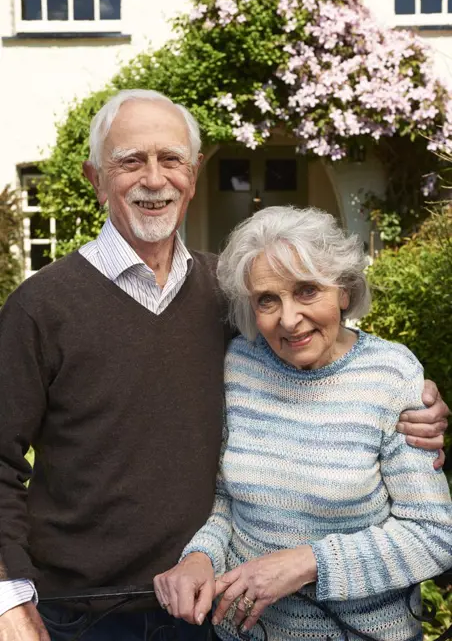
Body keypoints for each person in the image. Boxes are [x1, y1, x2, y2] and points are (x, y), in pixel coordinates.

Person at [0, 91, 448, 641]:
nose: (154, 179)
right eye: (130, 161)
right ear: (96, 178)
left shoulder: (228, 293)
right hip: (80, 613)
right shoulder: (40, 307)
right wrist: (8, 599)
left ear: (194, 173)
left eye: (171, 159)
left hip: (207, 613)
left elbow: (332, 360)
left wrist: (412, 399)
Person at [154, 206, 452, 641]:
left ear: (344, 291)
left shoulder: (390, 374)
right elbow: (226, 498)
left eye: (307, 291)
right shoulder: (241, 365)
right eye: (267, 300)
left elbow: (432, 535)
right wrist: (201, 556)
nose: (289, 319)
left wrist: (306, 564)